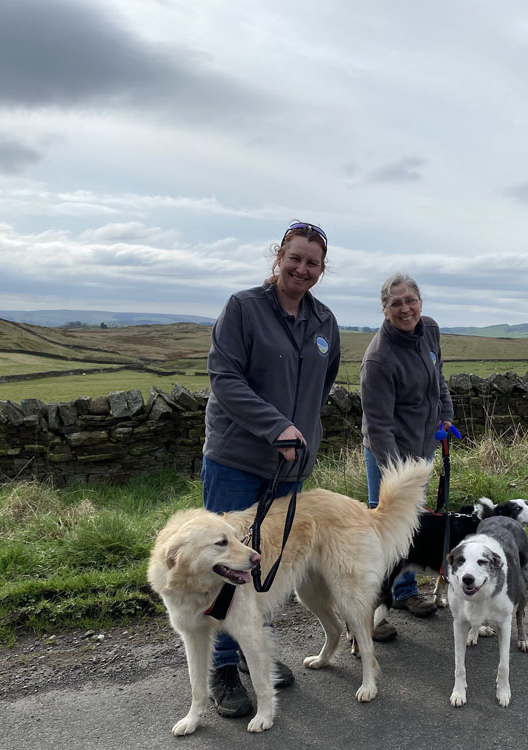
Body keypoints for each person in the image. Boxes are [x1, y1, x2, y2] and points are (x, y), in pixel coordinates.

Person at [202, 220, 340, 718]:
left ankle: (254, 652)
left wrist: (302, 430)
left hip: (291, 465)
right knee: (226, 564)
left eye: (313, 263)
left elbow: (323, 384)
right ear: (277, 256)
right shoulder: (243, 308)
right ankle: (222, 668)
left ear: (322, 270)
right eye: (295, 258)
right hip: (237, 458)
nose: (302, 268)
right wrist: (277, 426)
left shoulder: (324, 321)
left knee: (269, 561)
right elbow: (225, 378)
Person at [360, 272, 454, 641]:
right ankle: (371, 613)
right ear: (384, 310)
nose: (405, 308)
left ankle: (404, 592)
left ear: (420, 301)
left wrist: (445, 413)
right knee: (384, 530)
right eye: (395, 303)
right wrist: (393, 478)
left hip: (422, 447)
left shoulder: (429, 330)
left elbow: (438, 378)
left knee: (412, 522)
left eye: (410, 300)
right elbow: (378, 426)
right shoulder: (379, 360)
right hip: (389, 452)